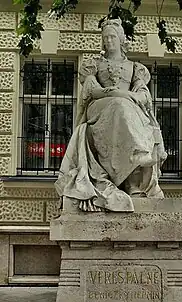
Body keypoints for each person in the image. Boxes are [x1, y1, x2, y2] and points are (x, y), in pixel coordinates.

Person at [55, 18, 167, 212]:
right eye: (105, 37)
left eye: (112, 37)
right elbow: (93, 91)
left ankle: (131, 180)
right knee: (119, 106)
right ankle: (131, 172)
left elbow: (143, 94)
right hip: (100, 107)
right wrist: (119, 94)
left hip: (127, 106)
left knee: (125, 109)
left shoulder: (134, 68)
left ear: (121, 39)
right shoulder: (95, 65)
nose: (108, 40)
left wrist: (130, 96)